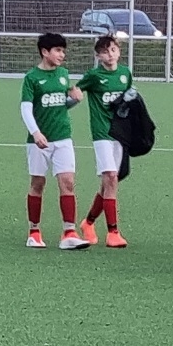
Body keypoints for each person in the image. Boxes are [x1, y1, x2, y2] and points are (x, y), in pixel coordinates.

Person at [20, 32, 90, 249]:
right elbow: (25, 108)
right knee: (38, 183)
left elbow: (61, 104)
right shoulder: (32, 78)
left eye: (63, 51)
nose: (62, 55)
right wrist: (35, 132)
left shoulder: (63, 74)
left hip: (63, 137)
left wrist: (74, 100)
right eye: (58, 50)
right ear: (45, 52)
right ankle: (34, 232)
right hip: (39, 141)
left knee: (67, 182)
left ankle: (69, 233)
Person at [76, 35, 132, 248]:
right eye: (105, 52)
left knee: (109, 183)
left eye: (113, 50)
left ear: (119, 52)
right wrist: (73, 96)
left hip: (120, 134)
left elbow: (130, 99)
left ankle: (88, 222)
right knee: (110, 177)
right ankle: (113, 232)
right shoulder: (93, 76)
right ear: (98, 56)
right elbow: (76, 90)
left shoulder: (125, 74)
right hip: (102, 134)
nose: (110, 55)